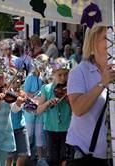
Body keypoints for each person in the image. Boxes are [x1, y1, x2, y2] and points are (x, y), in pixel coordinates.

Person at [66, 26, 115, 166]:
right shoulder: (79, 71)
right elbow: (78, 109)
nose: (112, 40)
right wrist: (102, 83)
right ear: (93, 42)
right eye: (106, 37)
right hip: (84, 154)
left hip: (109, 155)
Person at [37, 57, 72, 166]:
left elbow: (76, 109)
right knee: (52, 160)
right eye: (59, 75)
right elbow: (38, 110)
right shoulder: (46, 89)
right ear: (53, 74)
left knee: (65, 159)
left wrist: (69, 100)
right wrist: (48, 103)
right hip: (50, 129)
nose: (63, 78)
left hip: (67, 129)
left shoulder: (71, 88)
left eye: (65, 74)